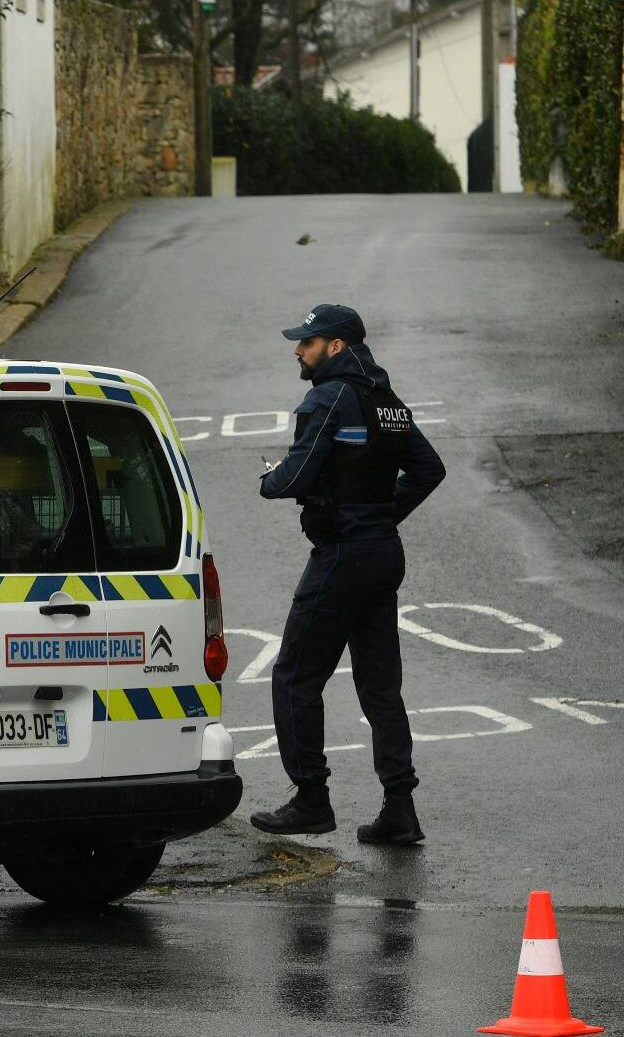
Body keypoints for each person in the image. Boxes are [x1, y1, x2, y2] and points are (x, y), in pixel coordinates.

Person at [248, 303, 445, 845]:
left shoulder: (328, 397)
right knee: (381, 687)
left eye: (307, 343)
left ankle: (311, 799)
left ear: (335, 347)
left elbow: (295, 475)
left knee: (294, 676)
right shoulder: (388, 402)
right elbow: (430, 469)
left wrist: (268, 481)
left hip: (343, 556)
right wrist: (382, 514)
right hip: (383, 553)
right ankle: (399, 809)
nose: (298, 350)